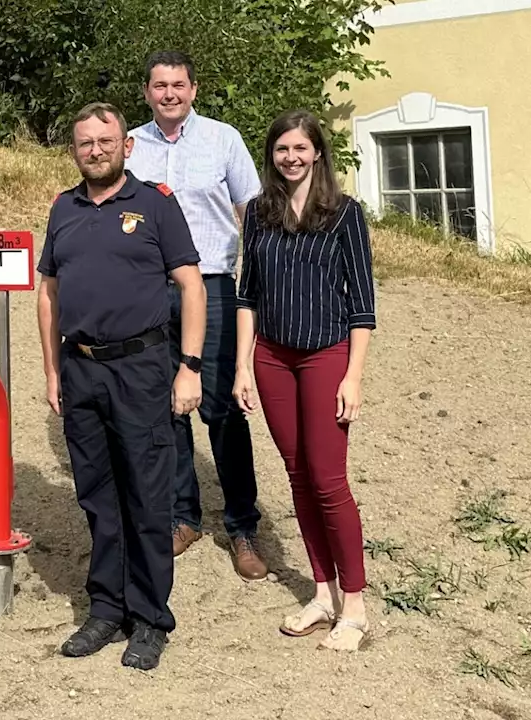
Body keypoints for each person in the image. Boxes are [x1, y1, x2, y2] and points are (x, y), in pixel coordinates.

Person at [38, 102, 206, 670]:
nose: (96, 150)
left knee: (147, 499)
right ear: (75, 150)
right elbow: (48, 294)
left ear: (126, 146)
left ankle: (151, 617)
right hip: (80, 369)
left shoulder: (155, 204)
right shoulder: (63, 208)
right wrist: (52, 370)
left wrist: (189, 366)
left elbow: (192, 286)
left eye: (105, 141)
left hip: (142, 369)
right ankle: (106, 609)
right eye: (85, 143)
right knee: (98, 498)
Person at [232, 109, 376, 652]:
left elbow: (363, 306)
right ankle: (322, 592)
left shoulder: (343, 215)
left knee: (328, 480)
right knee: (296, 474)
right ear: (271, 156)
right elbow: (248, 296)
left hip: (325, 356)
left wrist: (353, 376)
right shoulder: (260, 213)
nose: (290, 158)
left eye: (300, 148)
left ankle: (355, 607)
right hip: (270, 356)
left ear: (317, 152)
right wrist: (244, 365)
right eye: (281, 149)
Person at [125, 50, 269, 580]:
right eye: (160, 85)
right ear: (147, 92)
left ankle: (242, 525)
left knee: (222, 409)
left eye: (178, 85)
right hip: (149, 290)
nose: (169, 94)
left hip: (211, 286)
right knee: (167, 407)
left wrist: (256, 283)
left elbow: (250, 212)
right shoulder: (130, 145)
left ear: (194, 88)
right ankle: (182, 517)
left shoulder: (223, 140)